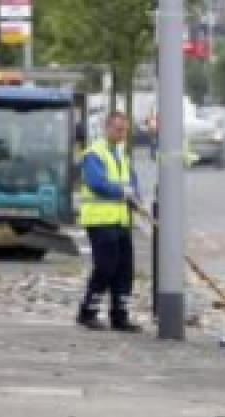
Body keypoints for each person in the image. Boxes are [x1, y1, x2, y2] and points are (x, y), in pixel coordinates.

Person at [76, 111, 142, 332]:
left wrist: (136, 197)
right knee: (105, 267)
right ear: (107, 128)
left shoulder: (122, 156)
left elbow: (132, 182)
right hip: (99, 220)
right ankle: (88, 312)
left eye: (124, 130)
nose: (121, 133)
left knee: (124, 270)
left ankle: (120, 316)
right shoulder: (94, 154)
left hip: (120, 221)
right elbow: (97, 183)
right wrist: (124, 192)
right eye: (117, 129)